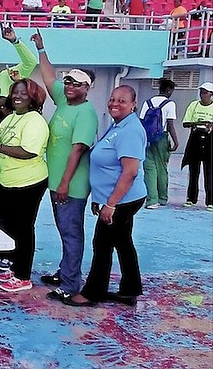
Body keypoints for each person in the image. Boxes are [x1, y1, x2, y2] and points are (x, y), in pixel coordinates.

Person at [31, 31, 99, 301]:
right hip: (58, 183)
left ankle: (71, 285)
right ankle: (65, 271)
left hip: (70, 186)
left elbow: (77, 151)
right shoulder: (63, 101)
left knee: (72, 234)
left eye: (77, 84)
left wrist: (64, 183)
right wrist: (41, 49)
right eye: (68, 81)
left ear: (87, 88)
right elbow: (48, 78)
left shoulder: (86, 112)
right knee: (64, 230)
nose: (70, 86)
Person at [64, 85, 147, 307]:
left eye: (121, 101)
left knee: (102, 243)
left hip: (123, 199)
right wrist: (99, 200)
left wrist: (110, 205)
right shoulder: (118, 126)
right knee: (122, 242)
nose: (114, 104)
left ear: (133, 104)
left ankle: (92, 293)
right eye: (112, 99)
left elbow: (129, 172)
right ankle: (130, 290)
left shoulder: (130, 130)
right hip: (115, 198)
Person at [0, 78, 49, 292]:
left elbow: (29, 151)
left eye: (23, 93)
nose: (17, 96)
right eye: (15, 92)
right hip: (8, 182)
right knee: (12, 227)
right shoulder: (11, 117)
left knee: (24, 229)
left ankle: (23, 276)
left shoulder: (34, 120)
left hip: (29, 183)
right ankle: (14, 268)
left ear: (33, 98)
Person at [139, 79, 178, 209]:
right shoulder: (170, 104)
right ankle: (162, 198)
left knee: (149, 168)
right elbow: (170, 124)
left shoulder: (147, 103)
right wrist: (176, 141)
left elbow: (141, 121)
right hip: (161, 137)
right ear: (168, 90)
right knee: (162, 168)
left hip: (148, 138)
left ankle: (151, 200)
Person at [181, 82, 213, 211]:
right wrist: (199, 123)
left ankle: (210, 201)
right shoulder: (194, 105)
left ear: (211, 94)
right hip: (195, 138)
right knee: (193, 170)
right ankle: (191, 198)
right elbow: (185, 123)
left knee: (209, 172)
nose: (202, 95)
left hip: (210, 140)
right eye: (201, 92)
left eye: (205, 92)